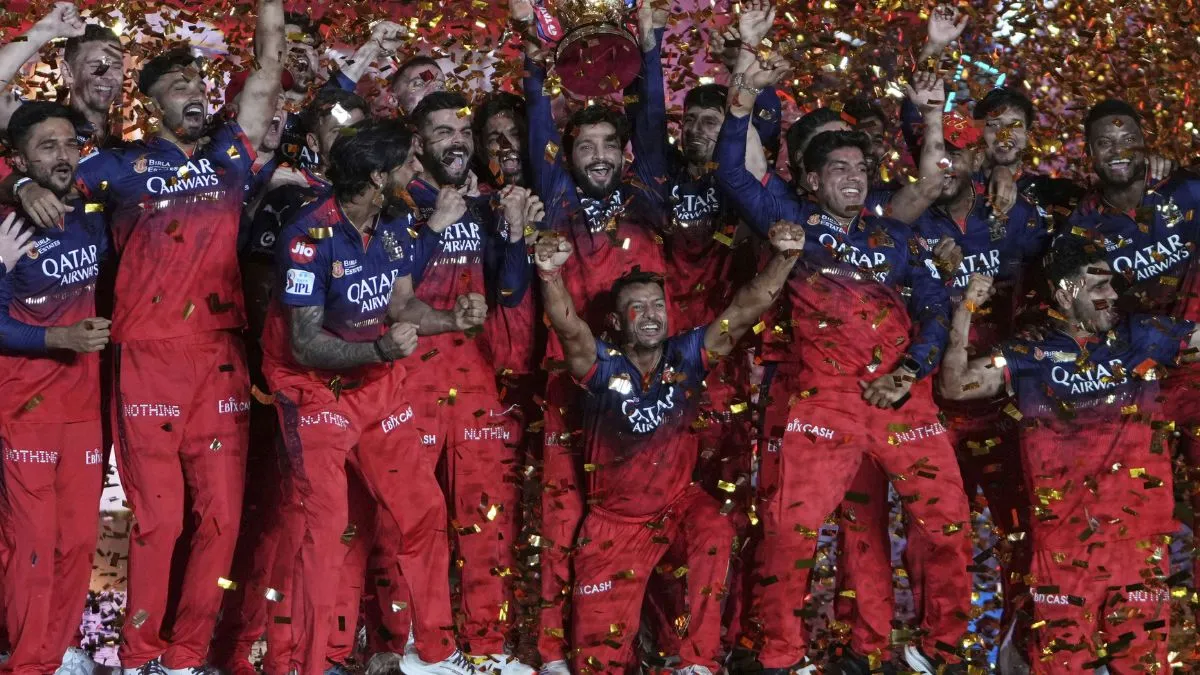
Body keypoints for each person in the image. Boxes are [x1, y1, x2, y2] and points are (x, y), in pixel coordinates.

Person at [11, 1, 285, 670]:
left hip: (221, 356)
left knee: (221, 518)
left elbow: (268, 66)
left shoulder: (230, 155)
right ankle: (139, 656)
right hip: (146, 358)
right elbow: (31, 156)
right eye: (177, 85)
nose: (194, 92)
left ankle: (185, 657)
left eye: (198, 82)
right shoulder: (116, 166)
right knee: (160, 520)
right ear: (153, 103)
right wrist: (18, 182)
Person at [716, 48, 975, 667]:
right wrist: (742, 95)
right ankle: (780, 654)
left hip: (902, 399)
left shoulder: (897, 235)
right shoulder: (794, 223)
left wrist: (907, 373)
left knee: (949, 527)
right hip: (824, 401)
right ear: (809, 180)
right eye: (838, 167)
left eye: (860, 167)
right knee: (788, 532)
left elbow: (936, 312)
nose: (853, 176)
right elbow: (732, 174)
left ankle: (942, 650)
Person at [258, 120, 480, 675]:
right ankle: (305, 665)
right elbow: (305, 344)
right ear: (379, 176)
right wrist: (380, 349)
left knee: (424, 510)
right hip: (314, 392)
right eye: (408, 162)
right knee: (326, 529)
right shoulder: (307, 237)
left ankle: (435, 654)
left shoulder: (395, 224)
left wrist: (451, 319)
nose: (417, 169)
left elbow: (403, 306)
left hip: (376, 386)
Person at [534, 220, 803, 675]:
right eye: (637, 308)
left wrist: (785, 257)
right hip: (615, 528)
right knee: (597, 664)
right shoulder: (600, 366)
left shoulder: (687, 355)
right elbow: (570, 328)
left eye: (658, 305)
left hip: (678, 508)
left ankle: (697, 662)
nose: (651, 314)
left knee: (715, 528)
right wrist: (549, 274)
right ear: (616, 322)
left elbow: (746, 308)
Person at [938, 238, 1200, 673]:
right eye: (1098, 287)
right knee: (1062, 664)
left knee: (1144, 664)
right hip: (1061, 547)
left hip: (1138, 543)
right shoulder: (1027, 355)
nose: (1111, 295)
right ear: (1065, 294)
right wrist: (966, 308)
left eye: (1112, 285)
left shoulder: (1143, 335)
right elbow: (954, 385)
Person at [509, 2, 673, 668]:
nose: (599, 156)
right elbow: (538, 115)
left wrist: (649, 48)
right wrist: (531, 44)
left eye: (610, 145)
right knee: (561, 516)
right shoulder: (557, 197)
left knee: (646, 516)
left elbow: (652, 119)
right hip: (571, 386)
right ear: (567, 154)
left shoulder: (649, 194)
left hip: (647, 390)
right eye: (585, 146)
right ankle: (553, 651)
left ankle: (646, 642)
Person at [210, 86, 369, 675]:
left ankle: (324, 649)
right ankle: (253, 650)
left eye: (356, 130)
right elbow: (254, 278)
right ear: (315, 137)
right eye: (335, 127)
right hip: (288, 380)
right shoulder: (287, 195)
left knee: (341, 521)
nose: (347, 138)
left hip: (360, 385)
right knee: (282, 516)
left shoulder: (376, 205)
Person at [402, 90, 539, 675]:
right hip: (408, 381)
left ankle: (487, 648)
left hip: (478, 381)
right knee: (415, 520)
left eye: (462, 132)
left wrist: (513, 232)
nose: (456, 143)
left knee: (488, 519)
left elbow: (508, 292)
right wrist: (433, 225)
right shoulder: (397, 203)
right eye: (442, 133)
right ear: (418, 143)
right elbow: (382, 289)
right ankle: (424, 648)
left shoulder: (487, 207)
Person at [1063, 98, 1200, 585]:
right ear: (1089, 155)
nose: (1118, 150)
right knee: (1136, 516)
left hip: (1198, 372)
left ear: (1146, 145)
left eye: (1128, 140)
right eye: (1105, 142)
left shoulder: (1186, 192)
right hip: (1135, 386)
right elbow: (1086, 319)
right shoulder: (1079, 230)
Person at [0, 102, 109, 675]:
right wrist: (58, 337)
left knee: (78, 543)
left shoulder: (89, 215)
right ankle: (25, 663)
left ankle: (54, 653)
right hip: (23, 409)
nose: (64, 157)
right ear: (19, 163)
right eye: (47, 147)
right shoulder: (6, 228)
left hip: (83, 406)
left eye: (70, 144)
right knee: (32, 546)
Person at [473, 92, 529, 189]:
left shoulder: (553, 186)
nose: (506, 144)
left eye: (515, 134)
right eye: (494, 138)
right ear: (482, 152)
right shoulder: (471, 197)